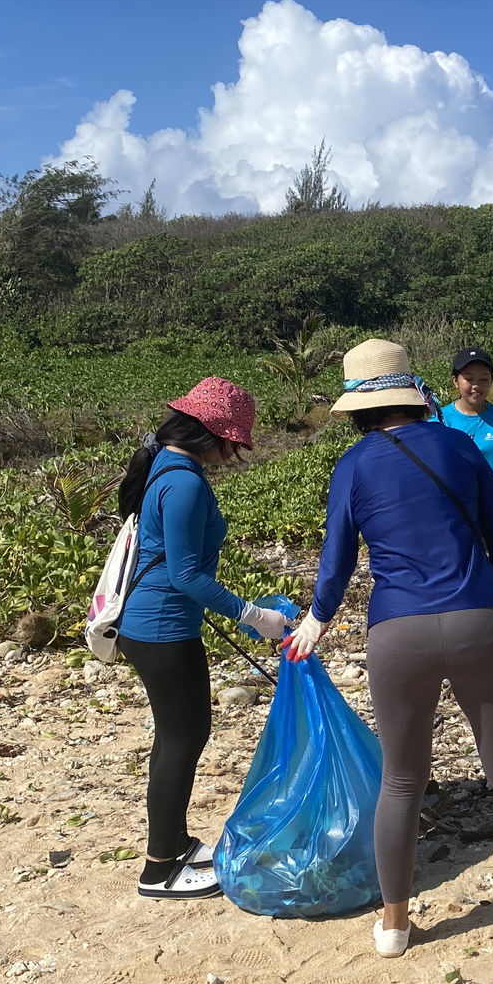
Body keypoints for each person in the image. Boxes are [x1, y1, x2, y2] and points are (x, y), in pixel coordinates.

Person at [284, 338, 493, 959]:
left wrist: (316, 619)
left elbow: (336, 560)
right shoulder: (460, 443)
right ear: (413, 394)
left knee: (401, 780)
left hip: (398, 631)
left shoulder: (355, 465)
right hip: (480, 616)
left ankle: (394, 926)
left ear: (359, 408)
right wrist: (480, 592)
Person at [115, 377, 291, 900]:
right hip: (163, 629)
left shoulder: (167, 467)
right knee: (181, 741)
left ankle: (176, 842)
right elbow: (187, 576)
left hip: (157, 625)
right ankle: (158, 869)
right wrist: (252, 614)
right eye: (233, 443)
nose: (232, 454)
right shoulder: (185, 481)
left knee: (179, 738)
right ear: (209, 434)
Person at [441, 347, 493, 531]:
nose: (476, 386)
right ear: (455, 381)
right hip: (455, 517)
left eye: (484, 379)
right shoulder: (439, 420)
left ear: (491, 382)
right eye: (469, 379)